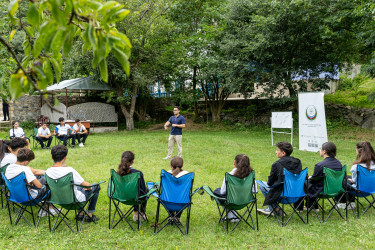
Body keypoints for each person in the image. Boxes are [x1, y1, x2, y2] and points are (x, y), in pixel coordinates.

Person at [45, 145, 101, 222]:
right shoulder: (69, 171)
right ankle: (89, 216)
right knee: (96, 186)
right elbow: (86, 185)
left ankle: (80, 214)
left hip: (59, 201)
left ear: (52, 157)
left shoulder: (47, 172)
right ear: (65, 157)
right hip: (74, 202)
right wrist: (89, 188)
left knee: (77, 188)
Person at [257, 141, 302, 216]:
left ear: (283, 153)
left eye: (277, 150)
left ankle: (275, 209)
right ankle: (272, 209)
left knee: (262, 185)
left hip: (283, 195)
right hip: (297, 193)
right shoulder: (298, 162)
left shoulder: (277, 164)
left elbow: (270, 183)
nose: (275, 152)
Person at [213, 154, 255, 222]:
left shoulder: (230, 175)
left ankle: (231, 217)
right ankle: (233, 216)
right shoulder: (251, 175)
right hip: (246, 200)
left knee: (217, 192)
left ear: (234, 162)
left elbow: (223, 192)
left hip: (232, 202)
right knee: (228, 195)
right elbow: (255, 191)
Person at [306, 142, 343, 210]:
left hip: (323, 190)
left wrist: (310, 178)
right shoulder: (338, 164)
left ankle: (312, 206)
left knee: (305, 183)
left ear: (324, 151)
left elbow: (313, 181)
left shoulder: (320, 165)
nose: (319, 151)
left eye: (320, 149)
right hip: (335, 189)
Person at [116, 151, 148, 221]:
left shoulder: (117, 173)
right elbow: (142, 189)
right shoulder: (138, 173)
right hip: (134, 197)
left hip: (120, 196)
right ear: (133, 161)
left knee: (136, 190)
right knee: (144, 190)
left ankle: (136, 213)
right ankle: (141, 213)